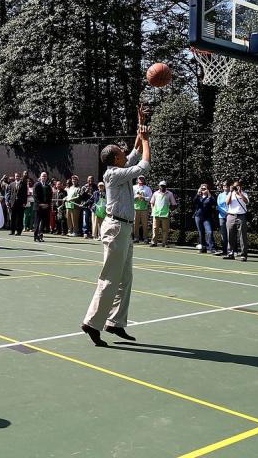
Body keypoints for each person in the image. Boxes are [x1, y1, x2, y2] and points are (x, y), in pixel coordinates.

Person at [81, 119, 151, 347]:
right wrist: (147, 140)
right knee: (110, 278)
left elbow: (134, 153)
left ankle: (115, 322)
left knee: (125, 278)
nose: (125, 154)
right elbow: (142, 165)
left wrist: (141, 127)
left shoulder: (119, 168)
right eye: (121, 154)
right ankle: (92, 323)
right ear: (115, 160)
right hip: (116, 228)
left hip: (124, 228)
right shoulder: (113, 175)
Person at [225, 181, 250, 261]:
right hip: (231, 215)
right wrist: (231, 192)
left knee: (242, 236)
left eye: (237, 186)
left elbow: (246, 202)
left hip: (241, 216)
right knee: (230, 235)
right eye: (235, 186)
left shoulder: (244, 193)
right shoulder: (230, 193)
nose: (236, 187)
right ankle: (230, 253)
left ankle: (243, 254)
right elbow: (227, 202)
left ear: (241, 186)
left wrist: (240, 193)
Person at [149, 181, 177, 248]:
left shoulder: (170, 194)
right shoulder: (155, 193)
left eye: (163, 185)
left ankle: (164, 243)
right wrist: (153, 209)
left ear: (166, 186)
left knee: (165, 229)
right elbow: (152, 202)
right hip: (156, 214)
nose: (162, 187)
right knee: (155, 228)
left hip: (165, 214)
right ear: (159, 186)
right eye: (161, 185)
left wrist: (170, 211)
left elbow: (174, 204)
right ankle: (154, 242)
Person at [193, 184, 216, 254]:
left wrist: (208, 194)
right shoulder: (199, 197)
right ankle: (203, 248)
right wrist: (198, 193)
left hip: (207, 218)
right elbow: (194, 201)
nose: (203, 190)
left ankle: (212, 248)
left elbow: (213, 203)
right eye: (202, 188)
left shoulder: (210, 197)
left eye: (204, 189)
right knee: (201, 233)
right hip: (198, 216)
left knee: (209, 232)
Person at [32, 172, 52, 242]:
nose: (44, 177)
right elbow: (35, 195)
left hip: (46, 207)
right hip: (38, 206)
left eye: (45, 176)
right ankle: (35, 236)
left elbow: (50, 196)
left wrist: (47, 204)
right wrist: (40, 204)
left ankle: (40, 235)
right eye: (43, 176)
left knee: (43, 222)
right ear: (40, 177)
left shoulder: (48, 186)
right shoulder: (37, 185)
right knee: (37, 221)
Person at [132, 176, 152, 243]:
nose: (141, 180)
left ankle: (145, 238)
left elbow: (150, 197)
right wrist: (136, 197)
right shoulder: (134, 187)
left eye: (142, 179)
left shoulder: (147, 188)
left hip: (144, 208)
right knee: (135, 224)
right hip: (135, 208)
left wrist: (144, 198)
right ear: (137, 180)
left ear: (144, 180)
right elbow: (130, 196)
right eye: (139, 179)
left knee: (145, 224)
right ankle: (136, 238)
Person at [216, 180, 231, 257]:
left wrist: (229, 213)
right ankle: (224, 251)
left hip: (230, 216)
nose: (225, 187)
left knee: (230, 234)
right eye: (224, 185)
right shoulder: (220, 195)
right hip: (222, 216)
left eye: (227, 185)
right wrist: (225, 212)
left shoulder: (232, 194)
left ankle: (231, 251)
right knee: (223, 234)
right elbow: (218, 206)